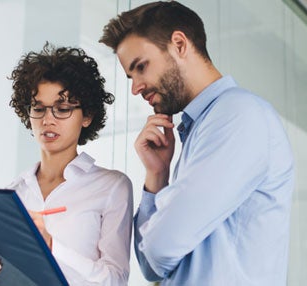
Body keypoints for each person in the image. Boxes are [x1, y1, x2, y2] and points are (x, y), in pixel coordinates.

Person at [100, 1, 295, 285]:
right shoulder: (201, 130)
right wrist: (157, 174)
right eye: (131, 76)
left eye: (141, 67)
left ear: (179, 44)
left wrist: (160, 238)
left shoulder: (238, 115)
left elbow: (160, 249)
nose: (135, 87)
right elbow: (150, 267)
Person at [0, 44, 133, 286]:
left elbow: (116, 280)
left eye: (62, 109)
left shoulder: (112, 186)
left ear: (87, 116)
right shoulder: (12, 193)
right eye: (38, 109)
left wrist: (51, 246)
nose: (47, 120)